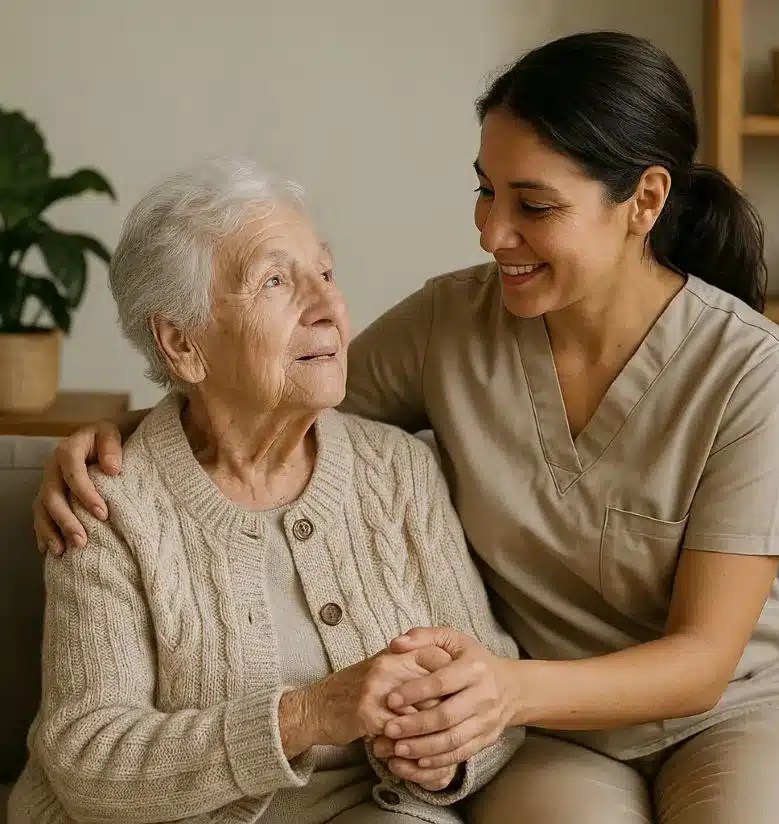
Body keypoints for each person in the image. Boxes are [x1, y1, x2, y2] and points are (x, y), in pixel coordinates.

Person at [31, 32, 779, 824]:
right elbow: (274, 395)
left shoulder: (752, 369)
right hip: (543, 731)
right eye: (486, 191)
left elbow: (703, 662)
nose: (492, 233)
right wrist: (121, 436)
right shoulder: (452, 322)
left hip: (721, 712)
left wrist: (499, 691)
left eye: (534, 206)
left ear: (644, 202)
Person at [8, 159, 523, 824]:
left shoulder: (400, 472)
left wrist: (451, 750)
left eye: (327, 273)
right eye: (276, 280)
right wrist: (307, 715)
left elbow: (491, 680)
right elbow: (88, 756)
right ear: (182, 343)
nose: (328, 306)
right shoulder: (111, 504)